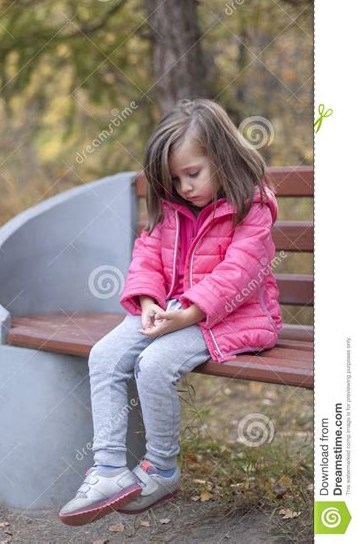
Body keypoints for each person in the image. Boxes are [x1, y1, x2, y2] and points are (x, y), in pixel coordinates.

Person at [58, 98, 282, 526]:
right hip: (172, 311)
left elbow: (239, 273)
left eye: (192, 174)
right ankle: (107, 470)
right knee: (104, 355)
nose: (184, 187)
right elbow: (147, 257)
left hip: (234, 316)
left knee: (155, 363)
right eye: (174, 178)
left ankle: (161, 468)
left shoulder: (252, 208)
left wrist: (189, 313)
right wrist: (147, 303)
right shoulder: (171, 207)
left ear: (221, 157)